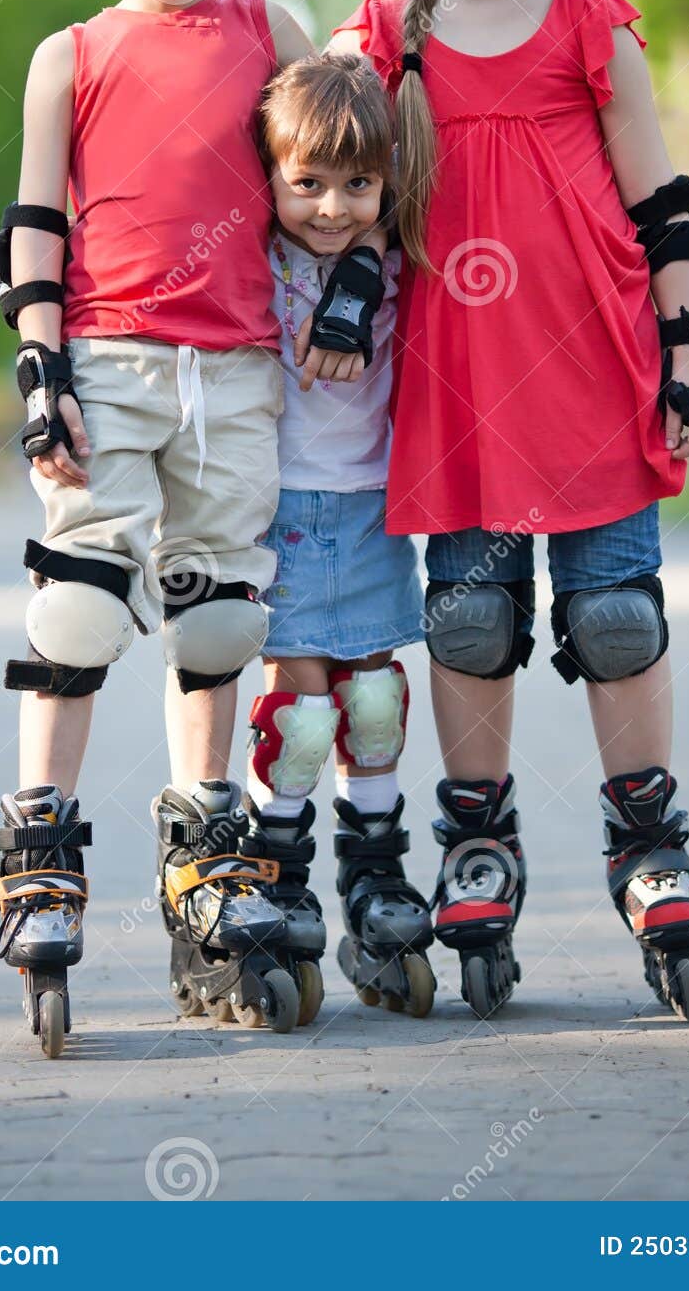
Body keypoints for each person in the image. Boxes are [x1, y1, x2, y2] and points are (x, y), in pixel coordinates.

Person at [0, 0, 379, 1050]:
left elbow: (344, 166)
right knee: (82, 600)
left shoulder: (272, 30)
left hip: (242, 369)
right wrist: (41, 373)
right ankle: (41, 842)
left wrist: (357, 283)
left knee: (219, 612)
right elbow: (36, 220)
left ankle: (206, 851)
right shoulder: (71, 54)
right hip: (111, 358)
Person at [329, 0, 689, 1023]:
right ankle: (476, 839)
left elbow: (664, 209)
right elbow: (312, 200)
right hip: (460, 383)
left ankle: (646, 839)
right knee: (470, 618)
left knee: (615, 614)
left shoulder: (587, 26)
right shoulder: (379, 37)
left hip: (598, 367)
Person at [240, 53, 435, 1024]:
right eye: (306, 183)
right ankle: (277, 880)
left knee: (372, 703)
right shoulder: (252, 252)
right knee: (302, 714)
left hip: (366, 505)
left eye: (357, 184)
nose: (330, 208)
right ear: (270, 175)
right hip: (278, 510)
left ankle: (376, 879)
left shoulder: (394, 253)